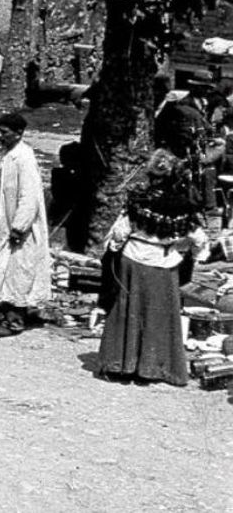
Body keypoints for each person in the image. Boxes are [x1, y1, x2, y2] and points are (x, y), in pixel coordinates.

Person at [95, 150, 204, 386]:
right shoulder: (184, 204)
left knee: (126, 311)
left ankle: (121, 363)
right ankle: (151, 367)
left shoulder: (139, 199)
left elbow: (120, 232)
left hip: (132, 262)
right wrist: (189, 256)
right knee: (158, 316)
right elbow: (199, 239)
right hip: (163, 266)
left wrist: (113, 250)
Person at [0, 112, 52, 336]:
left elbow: (30, 196)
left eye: (4, 133)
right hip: (7, 223)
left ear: (18, 133)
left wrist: (19, 226)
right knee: (8, 268)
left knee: (18, 271)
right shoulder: (9, 155)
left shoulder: (24, 158)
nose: (0, 137)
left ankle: (15, 320)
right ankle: (9, 311)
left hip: (20, 228)